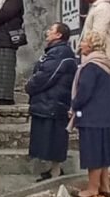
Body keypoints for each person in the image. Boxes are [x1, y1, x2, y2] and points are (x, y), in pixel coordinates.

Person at [25, 23, 77, 182]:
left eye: (51, 30)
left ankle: (55, 174)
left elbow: (46, 75)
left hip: (54, 102)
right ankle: (54, 170)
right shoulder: (56, 51)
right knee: (51, 139)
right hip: (49, 102)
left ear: (59, 35)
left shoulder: (60, 53)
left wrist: (29, 86)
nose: (47, 32)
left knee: (54, 140)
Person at [70, 31, 110, 197]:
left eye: (83, 42)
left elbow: (84, 91)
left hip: (92, 117)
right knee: (104, 153)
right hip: (106, 117)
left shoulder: (91, 66)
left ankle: (92, 189)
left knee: (93, 154)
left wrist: (74, 106)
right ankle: (105, 186)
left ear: (90, 46)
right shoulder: (105, 65)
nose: (80, 44)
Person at [82, 0, 110, 66]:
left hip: (99, 56)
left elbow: (98, 34)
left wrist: (90, 52)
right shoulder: (96, 7)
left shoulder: (103, 8)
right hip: (92, 55)